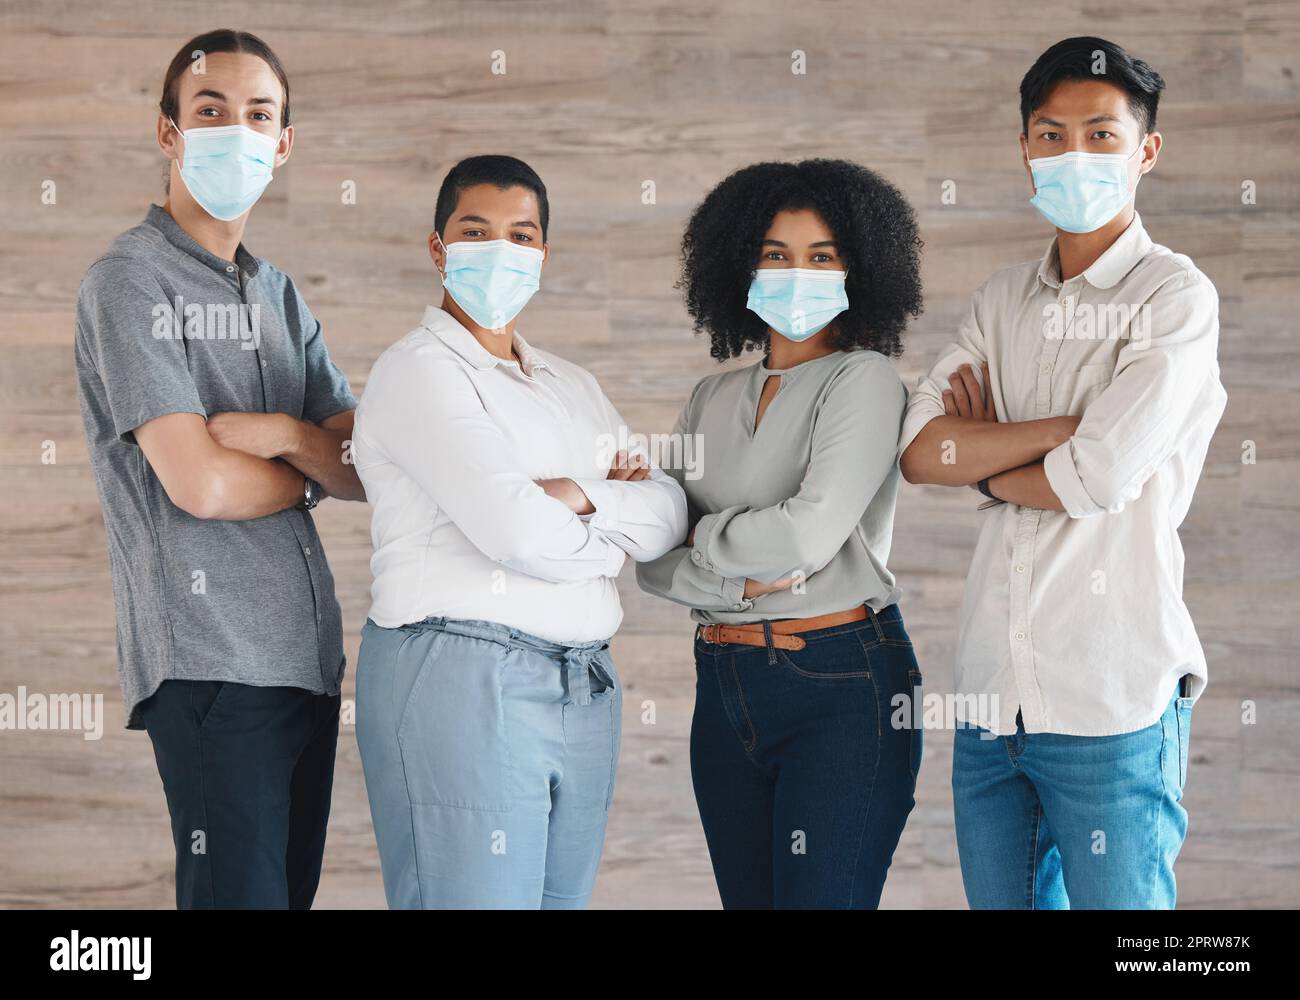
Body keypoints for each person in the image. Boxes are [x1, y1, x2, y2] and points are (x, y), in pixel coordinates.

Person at [898, 36, 1227, 909]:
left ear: (1145, 150)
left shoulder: (1174, 298)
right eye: (1050, 134)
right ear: (1024, 147)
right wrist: (1056, 434)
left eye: (1100, 134)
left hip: (1111, 703)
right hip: (990, 706)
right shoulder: (1001, 299)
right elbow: (923, 451)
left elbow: (1101, 475)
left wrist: (990, 453)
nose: (1072, 154)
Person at [73, 29, 363, 908]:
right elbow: (197, 483)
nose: (234, 132)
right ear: (168, 133)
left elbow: (359, 462)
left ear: (282, 144)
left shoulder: (276, 293)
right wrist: (310, 470)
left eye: (258, 115)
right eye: (210, 111)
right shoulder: (129, 282)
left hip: (304, 670)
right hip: (214, 673)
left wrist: (280, 434)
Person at [352, 154, 688, 909]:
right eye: (476, 231)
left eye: (521, 234)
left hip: (584, 685)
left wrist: (568, 494)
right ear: (437, 247)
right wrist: (607, 524)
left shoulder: (573, 385)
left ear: (543, 254)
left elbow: (669, 517)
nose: (501, 250)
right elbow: (514, 531)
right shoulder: (418, 371)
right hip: (466, 678)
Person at [636, 159, 925, 909]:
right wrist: (731, 574)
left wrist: (697, 537)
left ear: (858, 270)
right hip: (724, 686)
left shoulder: (862, 381)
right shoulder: (710, 395)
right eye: (777, 254)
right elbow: (643, 551)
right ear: (740, 264)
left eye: (821, 257)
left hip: (840, 683)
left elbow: (806, 536)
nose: (798, 274)